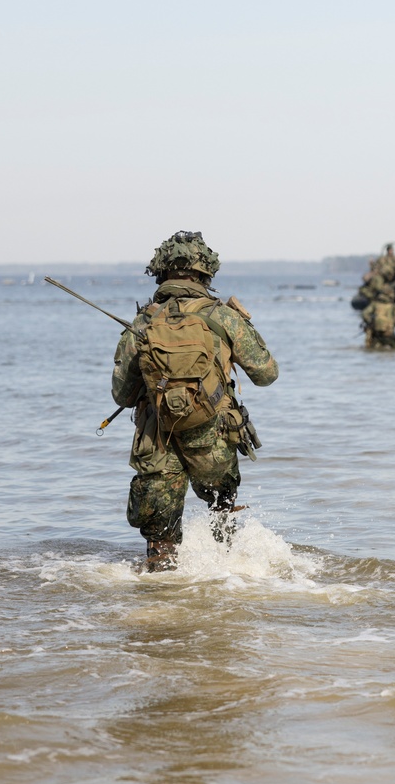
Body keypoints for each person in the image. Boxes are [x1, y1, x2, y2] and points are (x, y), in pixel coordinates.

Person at [111, 231, 278, 571]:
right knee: (221, 517)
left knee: (160, 554)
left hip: (156, 442)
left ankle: (162, 605)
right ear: (206, 274)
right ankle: (227, 577)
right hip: (213, 441)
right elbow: (266, 373)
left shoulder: (144, 322)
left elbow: (122, 395)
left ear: (160, 273)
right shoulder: (222, 316)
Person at [362, 283, 395, 349]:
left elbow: (364, 313)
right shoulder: (394, 307)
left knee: (370, 348)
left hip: (376, 335)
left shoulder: (374, 304)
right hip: (389, 335)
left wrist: (370, 322)